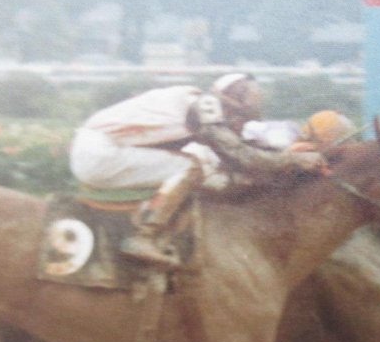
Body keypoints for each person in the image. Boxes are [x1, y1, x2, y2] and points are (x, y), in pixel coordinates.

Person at [69, 73, 326, 268]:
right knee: (191, 167)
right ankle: (145, 236)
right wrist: (293, 159)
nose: (239, 124)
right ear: (229, 105)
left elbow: (235, 152)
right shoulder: (205, 108)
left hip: (98, 149)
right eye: (240, 117)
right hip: (100, 154)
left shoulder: (200, 104)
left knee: (202, 168)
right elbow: (241, 155)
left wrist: (284, 157)